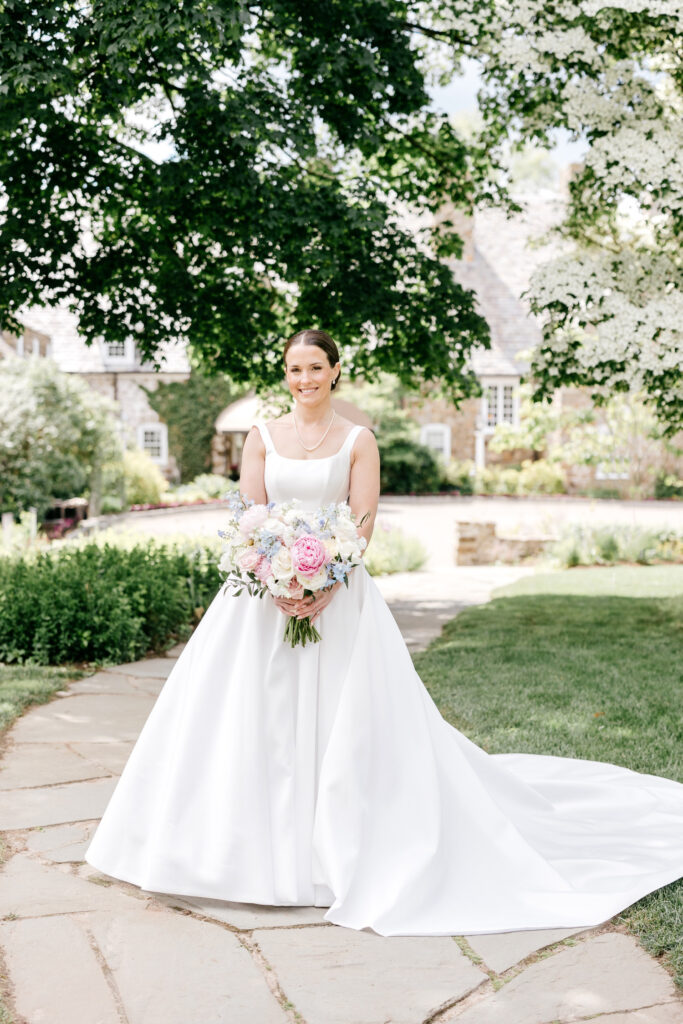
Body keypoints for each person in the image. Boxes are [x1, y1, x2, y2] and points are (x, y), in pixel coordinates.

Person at [84, 329, 683, 937]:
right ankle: (239, 855)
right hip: (263, 599)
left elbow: (362, 522)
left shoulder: (358, 440)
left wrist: (325, 583)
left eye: (315, 367)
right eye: (294, 369)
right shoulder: (261, 437)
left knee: (348, 719)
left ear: (336, 371)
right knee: (246, 717)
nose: (304, 379)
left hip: (339, 598)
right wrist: (276, 577)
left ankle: (337, 851)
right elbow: (250, 516)